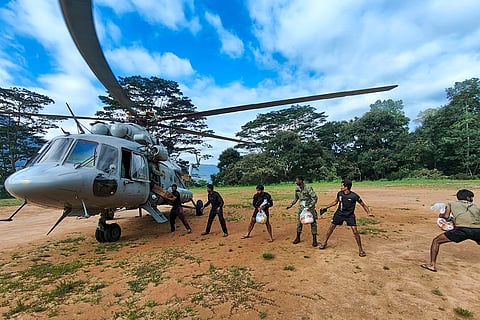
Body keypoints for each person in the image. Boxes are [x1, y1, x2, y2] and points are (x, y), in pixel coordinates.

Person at [421, 189, 480, 272]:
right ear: (468, 197)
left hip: (462, 229)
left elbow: (446, 216)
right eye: (471, 197)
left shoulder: (451, 203)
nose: (472, 199)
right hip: (478, 229)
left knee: (436, 241)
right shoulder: (476, 207)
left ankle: (432, 265)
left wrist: (442, 216)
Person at [318, 179, 374, 257]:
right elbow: (335, 202)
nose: (341, 187)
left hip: (349, 215)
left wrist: (368, 212)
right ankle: (324, 242)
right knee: (331, 227)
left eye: (342, 185)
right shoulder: (340, 194)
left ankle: (361, 249)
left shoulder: (354, 196)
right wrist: (326, 207)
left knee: (355, 231)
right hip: (339, 213)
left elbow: (363, 204)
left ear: (346, 187)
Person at [286, 176, 319, 247]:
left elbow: (315, 198)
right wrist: (290, 205)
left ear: (301, 181)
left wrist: (310, 206)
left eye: (297, 180)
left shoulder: (308, 188)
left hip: (309, 208)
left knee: (313, 223)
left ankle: (314, 240)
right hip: (301, 208)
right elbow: (296, 198)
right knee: (299, 223)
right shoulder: (297, 189)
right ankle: (298, 238)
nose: (296, 182)